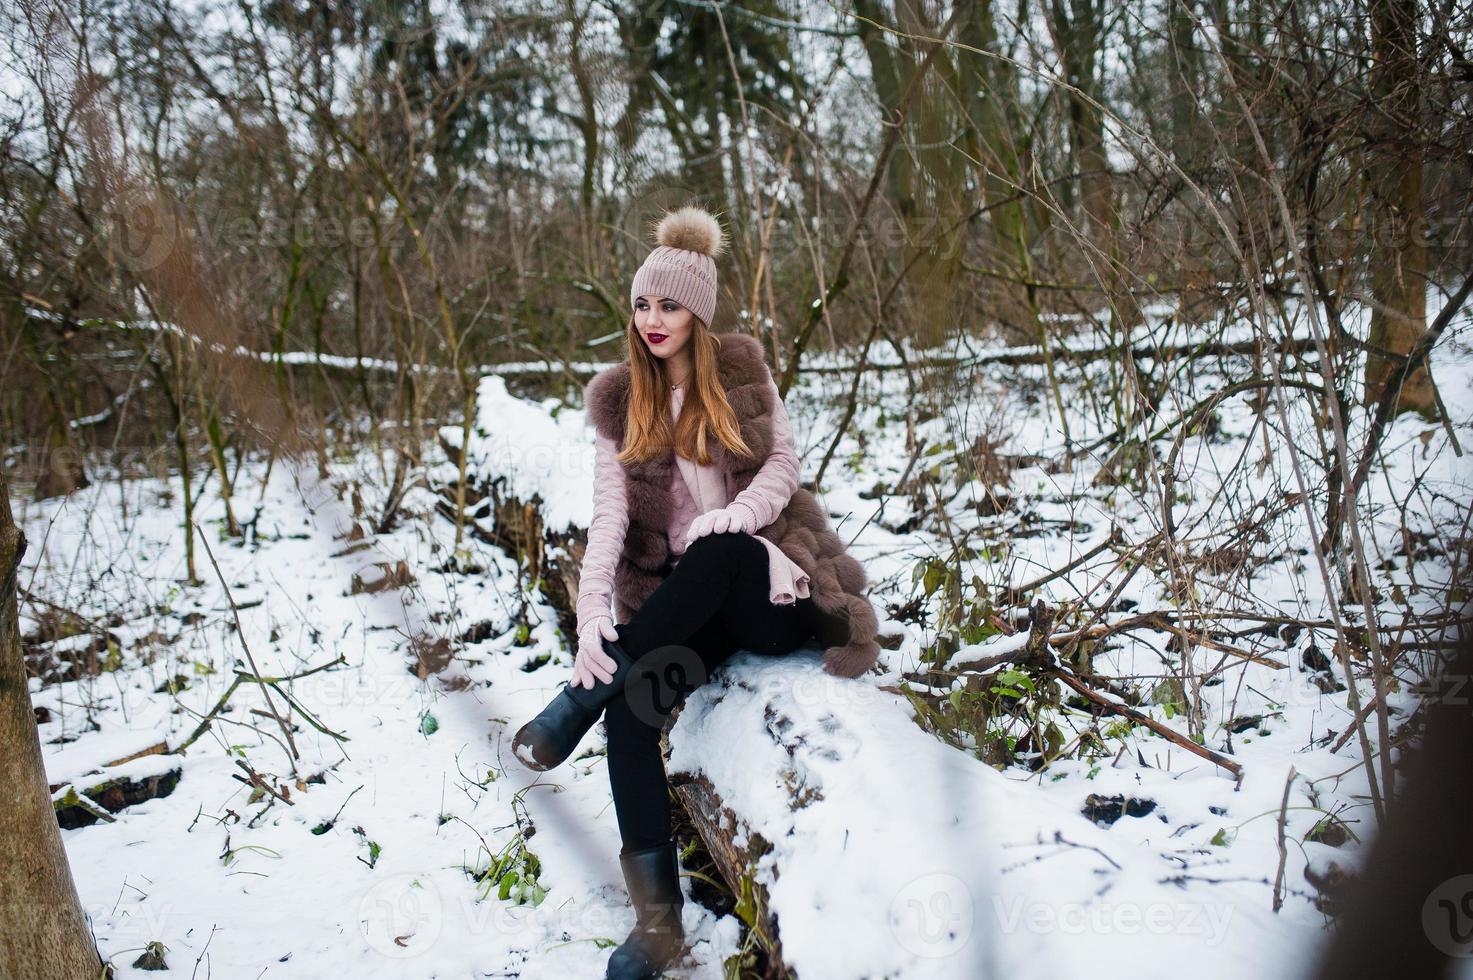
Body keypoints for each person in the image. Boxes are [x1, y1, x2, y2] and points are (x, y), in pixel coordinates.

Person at [513, 204, 879, 980]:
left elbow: (779, 469)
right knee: (631, 705)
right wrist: (589, 630)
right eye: (642, 304)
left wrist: (735, 517)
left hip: (773, 593)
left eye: (668, 305)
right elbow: (607, 525)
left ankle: (570, 704)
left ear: (698, 312)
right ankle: (657, 927)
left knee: (716, 548)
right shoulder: (623, 403)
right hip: (691, 611)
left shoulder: (741, 374)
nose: (652, 319)